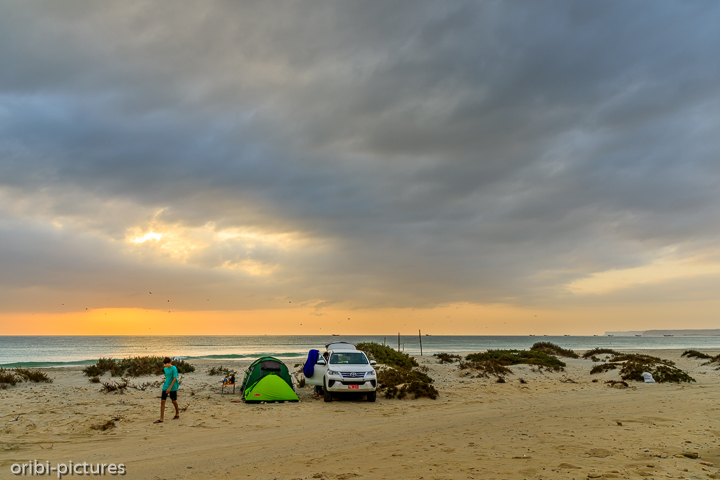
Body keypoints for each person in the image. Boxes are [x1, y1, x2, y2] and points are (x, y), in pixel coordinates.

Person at [154, 357, 179, 423]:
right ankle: (161, 418)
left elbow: (174, 379)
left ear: (169, 363)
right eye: (164, 364)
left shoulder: (174, 368)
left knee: (173, 401)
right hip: (165, 386)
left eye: (166, 364)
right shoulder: (165, 369)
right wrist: (167, 387)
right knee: (162, 401)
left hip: (173, 386)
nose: (164, 365)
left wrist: (170, 388)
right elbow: (167, 377)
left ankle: (177, 413)